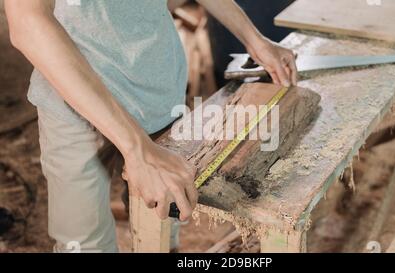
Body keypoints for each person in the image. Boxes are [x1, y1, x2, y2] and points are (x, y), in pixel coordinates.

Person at [5, 0, 297, 252]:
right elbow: (28, 22)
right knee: (83, 244)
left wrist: (253, 38)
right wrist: (136, 148)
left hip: (157, 89)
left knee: (159, 231)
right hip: (73, 102)